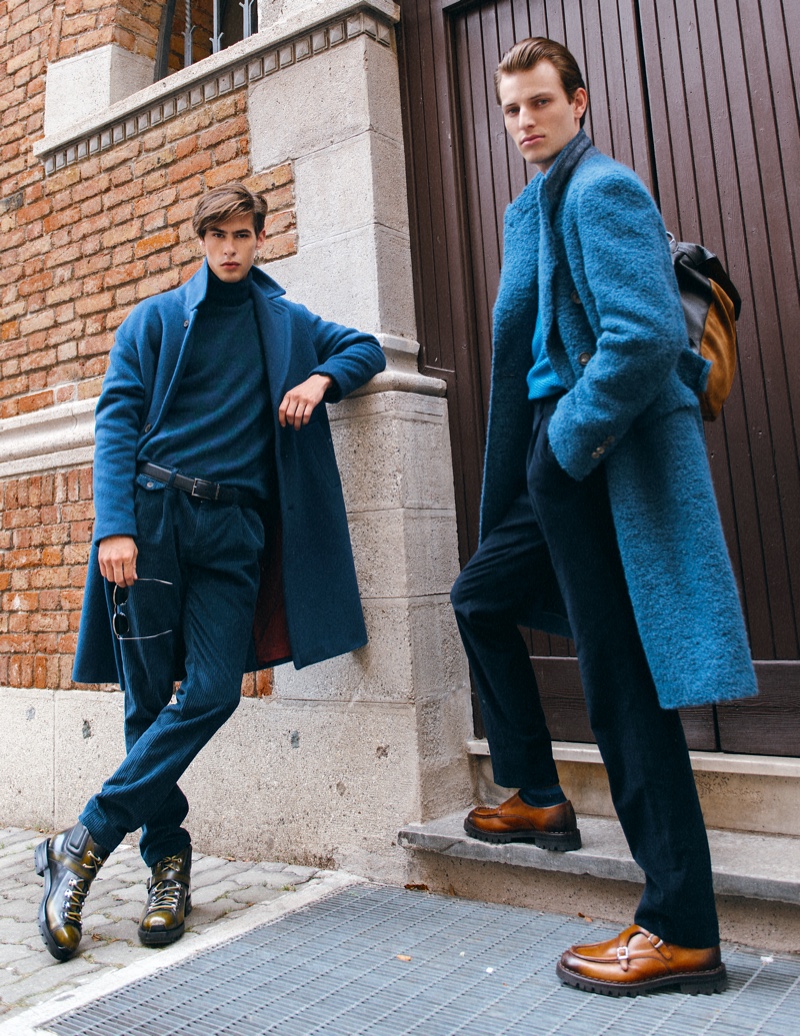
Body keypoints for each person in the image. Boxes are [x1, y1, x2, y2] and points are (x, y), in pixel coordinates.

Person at [450, 38, 757, 997]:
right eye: (510, 109)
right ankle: (539, 794)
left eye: (541, 102)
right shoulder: (530, 209)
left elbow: (645, 334)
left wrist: (565, 443)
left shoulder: (601, 189)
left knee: (624, 689)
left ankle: (680, 927)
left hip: (592, 460)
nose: (524, 121)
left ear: (579, 101)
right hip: (558, 468)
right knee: (480, 596)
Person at [35, 183, 386, 962]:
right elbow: (117, 418)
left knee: (215, 690)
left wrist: (320, 379)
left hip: (234, 532)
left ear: (262, 237)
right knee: (145, 698)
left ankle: (81, 841)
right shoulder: (156, 319)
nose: (231, 247)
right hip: (153, 521)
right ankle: (168, 863)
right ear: (201, 240)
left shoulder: (288, 322)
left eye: (243, 233)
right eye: (218, 235)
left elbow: (368, 348)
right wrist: (115, 527)